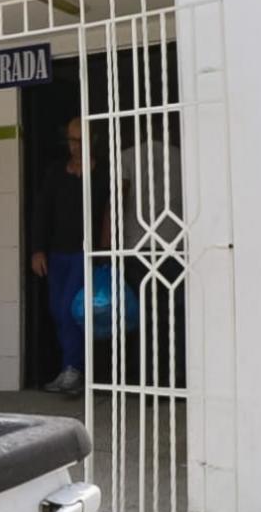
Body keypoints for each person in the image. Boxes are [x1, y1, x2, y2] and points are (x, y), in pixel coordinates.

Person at [30, 117, 107, 394]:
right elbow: (42, 212)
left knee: (71, 310)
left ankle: (73, 370)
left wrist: (104, 253)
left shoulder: (101, 174)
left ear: (93, 142)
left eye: (80, 141)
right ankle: (72, 369)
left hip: (83, 254)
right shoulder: (55, 173)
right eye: (71, 141)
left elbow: (109, 214)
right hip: (56, 253)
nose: (74, 147)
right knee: (57, 311)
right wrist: (37, 249)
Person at [118, 132, 185, 388]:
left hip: (139, 245)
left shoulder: (126, 157)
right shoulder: (182, 156)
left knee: (146, 315)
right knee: (176, 314)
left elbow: (118, 198)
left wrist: (108, 242)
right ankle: (178, 376)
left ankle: (148, 378)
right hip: (176, 244)